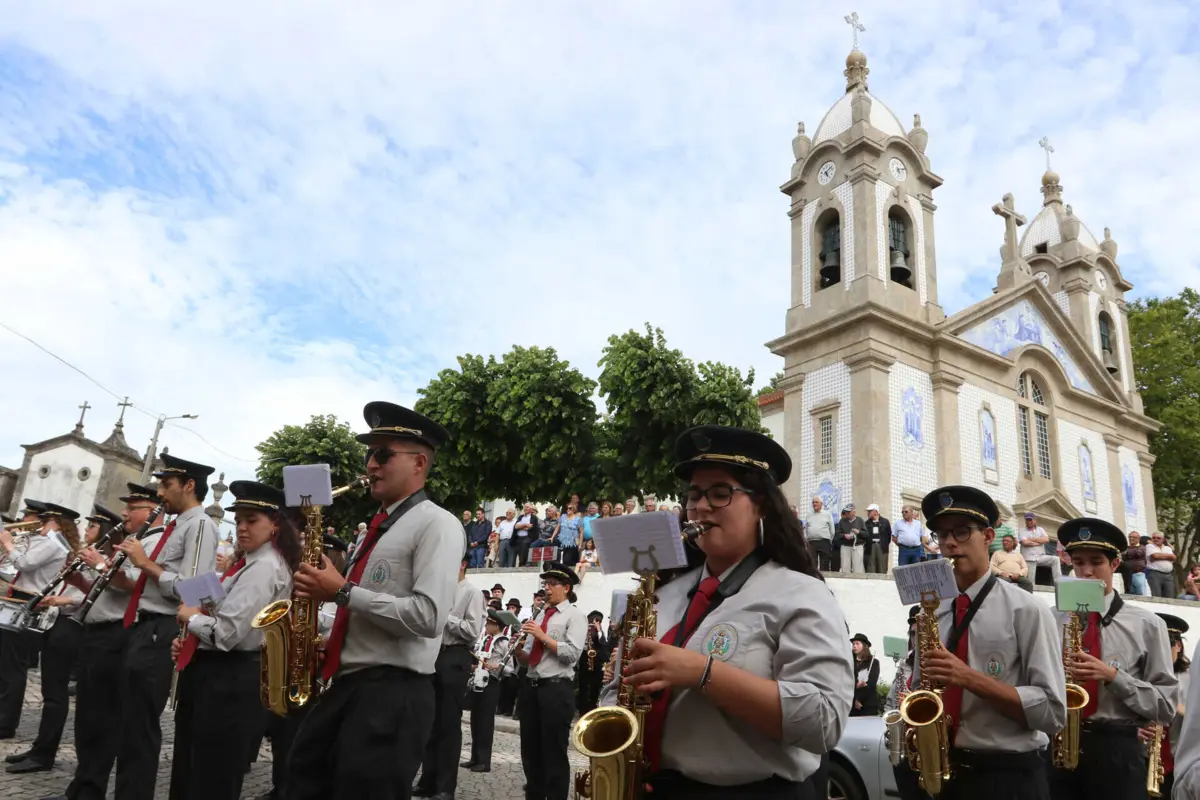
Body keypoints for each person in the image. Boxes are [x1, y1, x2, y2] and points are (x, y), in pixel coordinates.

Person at [610, 424, 853, 798]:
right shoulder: (662, 595)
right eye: (694, 495)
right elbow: (618, 688)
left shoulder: (802, 593)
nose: (701, 506)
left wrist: (703, 673)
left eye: (720, 493)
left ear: (760, 504)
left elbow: (824, 721)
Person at [287, 401, 464, 800]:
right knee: (302, 780)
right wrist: (328, 639)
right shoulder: (380, 526)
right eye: (369, 454)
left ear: (419, 462)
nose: (370, 464)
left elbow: (430, 617)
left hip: (393, 695)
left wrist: (343, 592)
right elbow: (365, 609)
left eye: (383, 454)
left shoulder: (438, 523)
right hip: (352, 685)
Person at [910, 485, 1066, 800]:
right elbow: (920, 688)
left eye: (963, 532)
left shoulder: (1028, 609)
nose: (951, 543)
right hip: (941, 770)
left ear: (988, 536)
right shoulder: (930, 612)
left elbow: (1052, 712)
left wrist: (969, 678)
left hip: (1007, 777)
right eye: (942, 535)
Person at [167, 480, 298, 800]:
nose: (241, 528)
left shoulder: (264, 567)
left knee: (211, 778)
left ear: (275, 525)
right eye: (238, 520)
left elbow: (226, 634)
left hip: (231, 679)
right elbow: (202, 594)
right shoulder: (247, 562)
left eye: (251, 521)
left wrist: (191, 618)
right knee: (198, 770)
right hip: (221, 675)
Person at [40, 485, 161, 800]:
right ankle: (83, 784)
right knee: (88, 718)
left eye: (132, 506)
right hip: (95, 632)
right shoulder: (132, 543)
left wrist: (97, 565)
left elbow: (134, 585)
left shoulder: (150, 543)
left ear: (151, 510)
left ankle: (91, 788)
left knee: (103, 718)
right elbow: (108, 588)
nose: (125, 513)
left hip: (117, 633)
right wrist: (79, 579)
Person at [108, 454, 217, 800]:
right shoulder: (177, 524)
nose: (160, 492)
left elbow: (198, 590)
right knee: (130, 724)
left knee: (140, 729)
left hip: (163, 629)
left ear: (188, 486)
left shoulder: (200, 525)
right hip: (145, 626)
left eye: (166, 485)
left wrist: (146, 564)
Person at [1048, 517, 1177, 800]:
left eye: (1096, 562)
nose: (1087, 572)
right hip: (1057, 746)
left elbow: (1165, 705)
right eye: (1079, 563)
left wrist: (1113, 677)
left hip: (1117, 749)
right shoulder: (1050, 618)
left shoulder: (1147, 624)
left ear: (1115, 565)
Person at [0, 503, 80, 772]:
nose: (36, 524)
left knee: (16, 666)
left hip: (49, 609)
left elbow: (24, 563)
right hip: (38, 602)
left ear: (56, 521)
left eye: (44, 520)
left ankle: (10, 726)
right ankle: (39, 749)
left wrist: (10, 543)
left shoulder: (54, 544)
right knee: (12, 666)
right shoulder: (47, 541)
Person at [515, 560, 587, 800]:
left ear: (566, 587)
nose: (546, 588)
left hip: (556, 690)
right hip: (531, 687)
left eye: (552, 583)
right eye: (545, 583)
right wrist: (517, 651)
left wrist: (542, 636)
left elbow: (571, 655)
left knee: (554, 752)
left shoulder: (575, 616)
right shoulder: (539, 615)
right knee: (530, 750)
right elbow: (529, 659)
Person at [414, 557, 483, 800]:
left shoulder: (472, 593)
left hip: (455, 656)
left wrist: (445, 617)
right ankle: (427, 780)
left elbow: (472, 630)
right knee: (429, 722)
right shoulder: (439, 589)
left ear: (462, 563)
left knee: (449, 725)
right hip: (433, 654)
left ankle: (445, 787)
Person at [1136, 613, 1188, 799]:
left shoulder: (1191, 678)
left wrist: (1178, 709)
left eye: (1168, 646)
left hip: (1179, 763)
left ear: (1179, 646)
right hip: (1141, 758)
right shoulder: (1139, 675)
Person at [461, 610, 509, 774]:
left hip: (491, 683)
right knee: (475, 720)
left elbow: (510, 668)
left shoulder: (503, 642)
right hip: (477, 681)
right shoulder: (484, 639)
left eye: (489, 623)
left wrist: (496, 666)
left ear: (497, 626)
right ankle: (474, 757)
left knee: (485, 723)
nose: (487, 626)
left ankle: (484, 761)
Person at [884, 606, 923, 800]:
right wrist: (891, 727)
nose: (916, 637)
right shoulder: (904, 663)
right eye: (913, 633)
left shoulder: (935, 662)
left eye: (920, 632)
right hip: (902, 747)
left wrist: (911, 700)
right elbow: (891, 700)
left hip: (923, 747)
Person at [576, 610, 610, 716]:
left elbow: (603, 643)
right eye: (593, 620)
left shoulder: (600, 633)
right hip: (584, 663)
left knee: (595, 687)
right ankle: (582, 710)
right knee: (583, 687)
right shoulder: (583, 630)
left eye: (598, 621)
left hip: (597, 665)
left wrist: (599, 630)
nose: (595, 622)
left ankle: (592, 709)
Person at [850, 633, 879, 716]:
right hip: (852, 706)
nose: (854, 646)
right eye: (853, 644)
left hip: (868, 705)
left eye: (857, 643)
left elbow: (872, 683)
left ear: (865, 646)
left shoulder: (873, 662)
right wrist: (855, 698)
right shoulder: (850, 663)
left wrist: (859, 699)